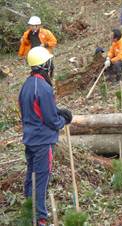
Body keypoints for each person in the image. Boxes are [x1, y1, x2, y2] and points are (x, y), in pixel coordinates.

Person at [18, 46, 72, 226]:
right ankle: (41, 217)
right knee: (41, 177)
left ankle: (28, 206)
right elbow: (50, 119)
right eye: (49, 62)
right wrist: (62, 121)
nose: (52, 65)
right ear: (44, 65)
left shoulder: (26, 85)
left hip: (30, 138)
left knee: (31, 174)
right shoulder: (44, 87)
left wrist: (59, 111)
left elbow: (37, 110)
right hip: (43, 141)